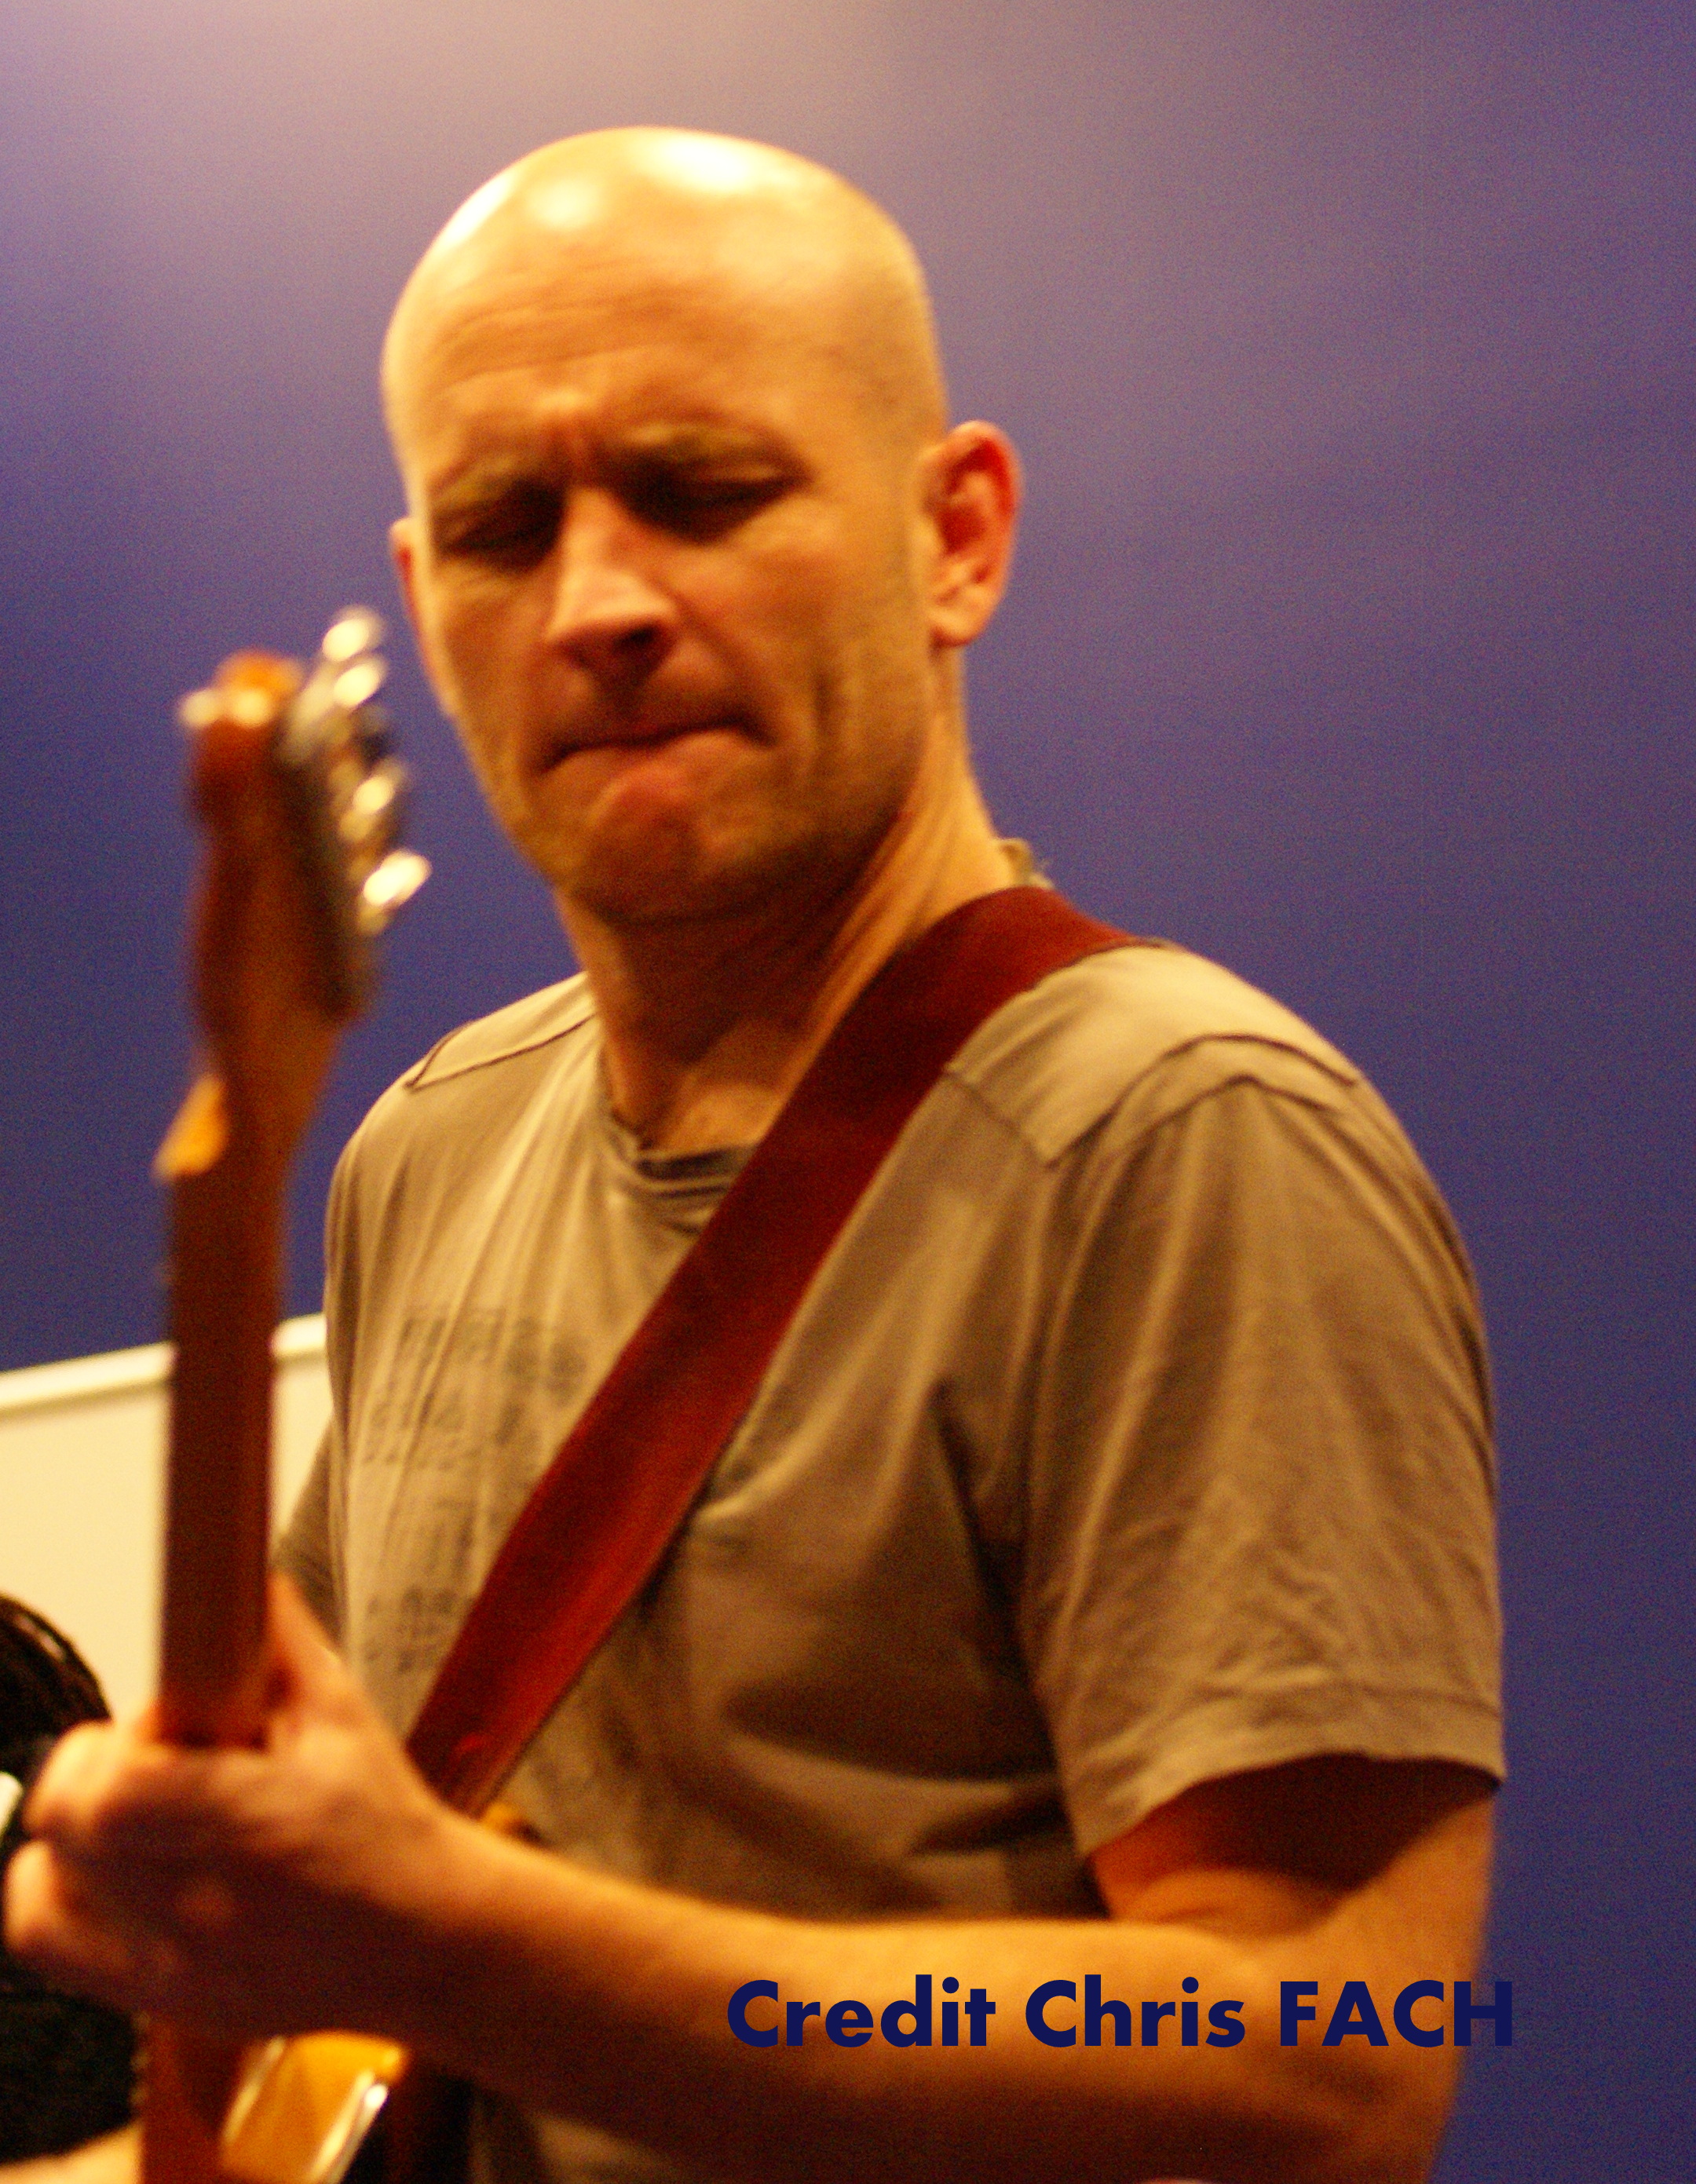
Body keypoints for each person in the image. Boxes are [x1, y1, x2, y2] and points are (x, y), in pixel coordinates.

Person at [5, 130, 1502, 2183]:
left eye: (704, 493)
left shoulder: (1179, 1142)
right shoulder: (428, 1142)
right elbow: (345, 1954)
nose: (601, 603)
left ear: (956, 536)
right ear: (423, 604)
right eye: (506, 528)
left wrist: (470, 1947)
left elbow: (1338, 2054)